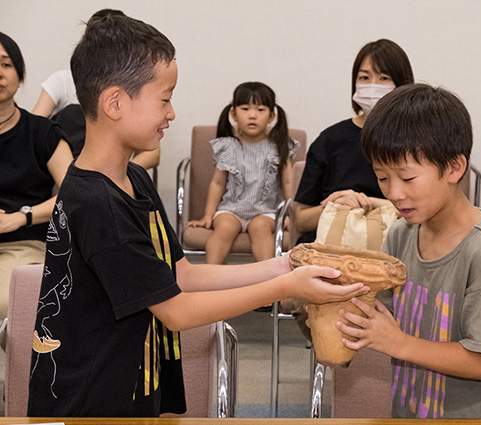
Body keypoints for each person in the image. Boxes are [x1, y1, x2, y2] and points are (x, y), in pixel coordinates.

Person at [27, 14, 369, 417]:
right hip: (91, 403)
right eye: (165, 98)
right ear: (115, 102)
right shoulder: (96, 202)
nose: (172, 113)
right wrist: (286, 287)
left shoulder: (135, 178)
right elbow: (176, 309)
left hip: (131, 389)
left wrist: (282, 265)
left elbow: (181, 274)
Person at [332, 84, 481, 418]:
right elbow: (384, 318)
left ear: (454, 168)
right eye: (382, 178)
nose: (394, 193)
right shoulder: (401, 234)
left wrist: (397, 343)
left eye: (407, 178)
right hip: (416, 412)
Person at [294, 38, 414, 243]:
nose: (373, 86)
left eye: (384, 78)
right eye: (364, 77)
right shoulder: (330, 140)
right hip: (330, 250)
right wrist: (337, 205)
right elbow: (301, 220)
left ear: (402, 84)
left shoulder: (417, 140)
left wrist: (372, 203)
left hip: (394, 247)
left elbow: (430, 212)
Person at [0, 32, 73, 319]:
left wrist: (22, 216)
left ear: (20, 75)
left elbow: (74, 192)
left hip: (24, 244)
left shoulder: (42, 132)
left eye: (6, 64)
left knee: (7, 301)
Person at [31, 9, 161, 170]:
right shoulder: (62, 80)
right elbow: (33, 129)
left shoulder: (135, 86)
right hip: (66, 171)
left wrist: (117, 174)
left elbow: (153, 154)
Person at [186, 82, 298, 264]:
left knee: (260, 228)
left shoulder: (279, 146)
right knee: (224, 228)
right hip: (232, 208)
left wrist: (292, 216)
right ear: (233, 114)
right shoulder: (228, 146)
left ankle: (267, 277)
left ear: (271, 116)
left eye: (260, 110)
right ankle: (211, 274)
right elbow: (217, 183)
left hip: (266, 211)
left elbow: (288, 183)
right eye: (245, 108)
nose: (252, 115)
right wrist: (208, 215)